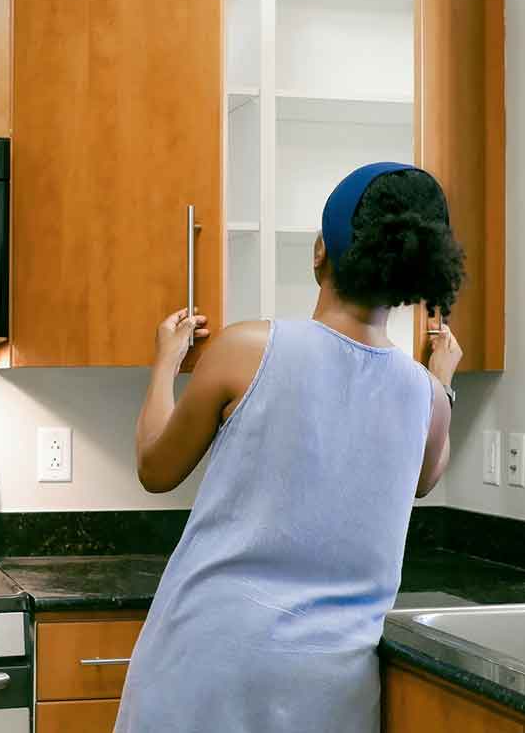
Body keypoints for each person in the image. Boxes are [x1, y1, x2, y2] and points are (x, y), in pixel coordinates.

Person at [116, 162, 467, 732]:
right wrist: (443, 381)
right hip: (331, 687)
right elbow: (427, 473)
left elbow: (155, 467)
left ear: (319, 253)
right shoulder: (426, 396)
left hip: (209, 661)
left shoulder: (248, 349)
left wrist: (165, 364)